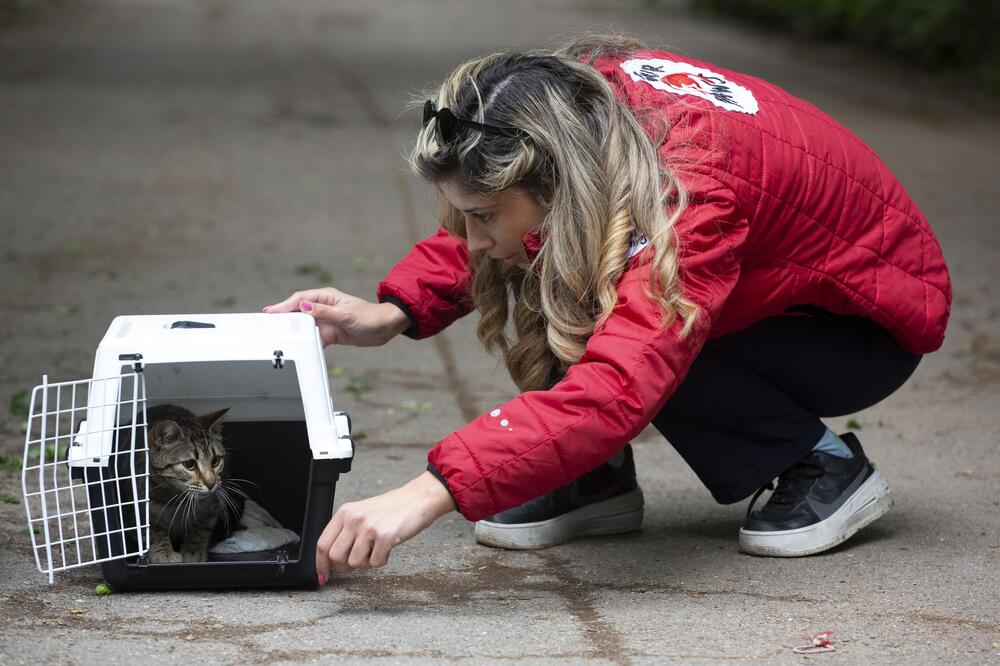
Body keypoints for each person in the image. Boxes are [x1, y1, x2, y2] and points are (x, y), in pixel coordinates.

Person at [264, 35, 951, 580]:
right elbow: (501, 219)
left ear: (548, 171)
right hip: (783, 288)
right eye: (461, 214)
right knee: (543, 245)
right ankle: (592, 478)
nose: (473, 237)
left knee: (642, 325)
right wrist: (393, 312)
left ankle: (823, 464)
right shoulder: (572, 107)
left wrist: (424, 492)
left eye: (480, 215)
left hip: (859, 328)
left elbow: (621, 384)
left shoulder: (687, 193)